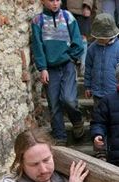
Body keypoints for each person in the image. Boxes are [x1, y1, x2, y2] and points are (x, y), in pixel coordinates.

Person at [31, 0, 85, 145]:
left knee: (69, 99)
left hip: (67, 65)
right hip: (50, 68)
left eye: (57, 0)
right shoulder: (37, 21)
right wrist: (42, 68)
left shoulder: (68, 17)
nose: (55, 3)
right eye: (51, 0)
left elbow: (78, 42)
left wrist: (71, 57)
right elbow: (37, 46)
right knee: (54, 104)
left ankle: (77, 120)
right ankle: (60, 136)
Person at [84, 13, 119, 107]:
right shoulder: (92, 48)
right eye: (99, 37)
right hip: (97, 93)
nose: (101, 39)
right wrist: (88, 86)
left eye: (104, 38)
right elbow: (88, 67)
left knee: (115, 117)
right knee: (99, 117)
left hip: (117, 93)